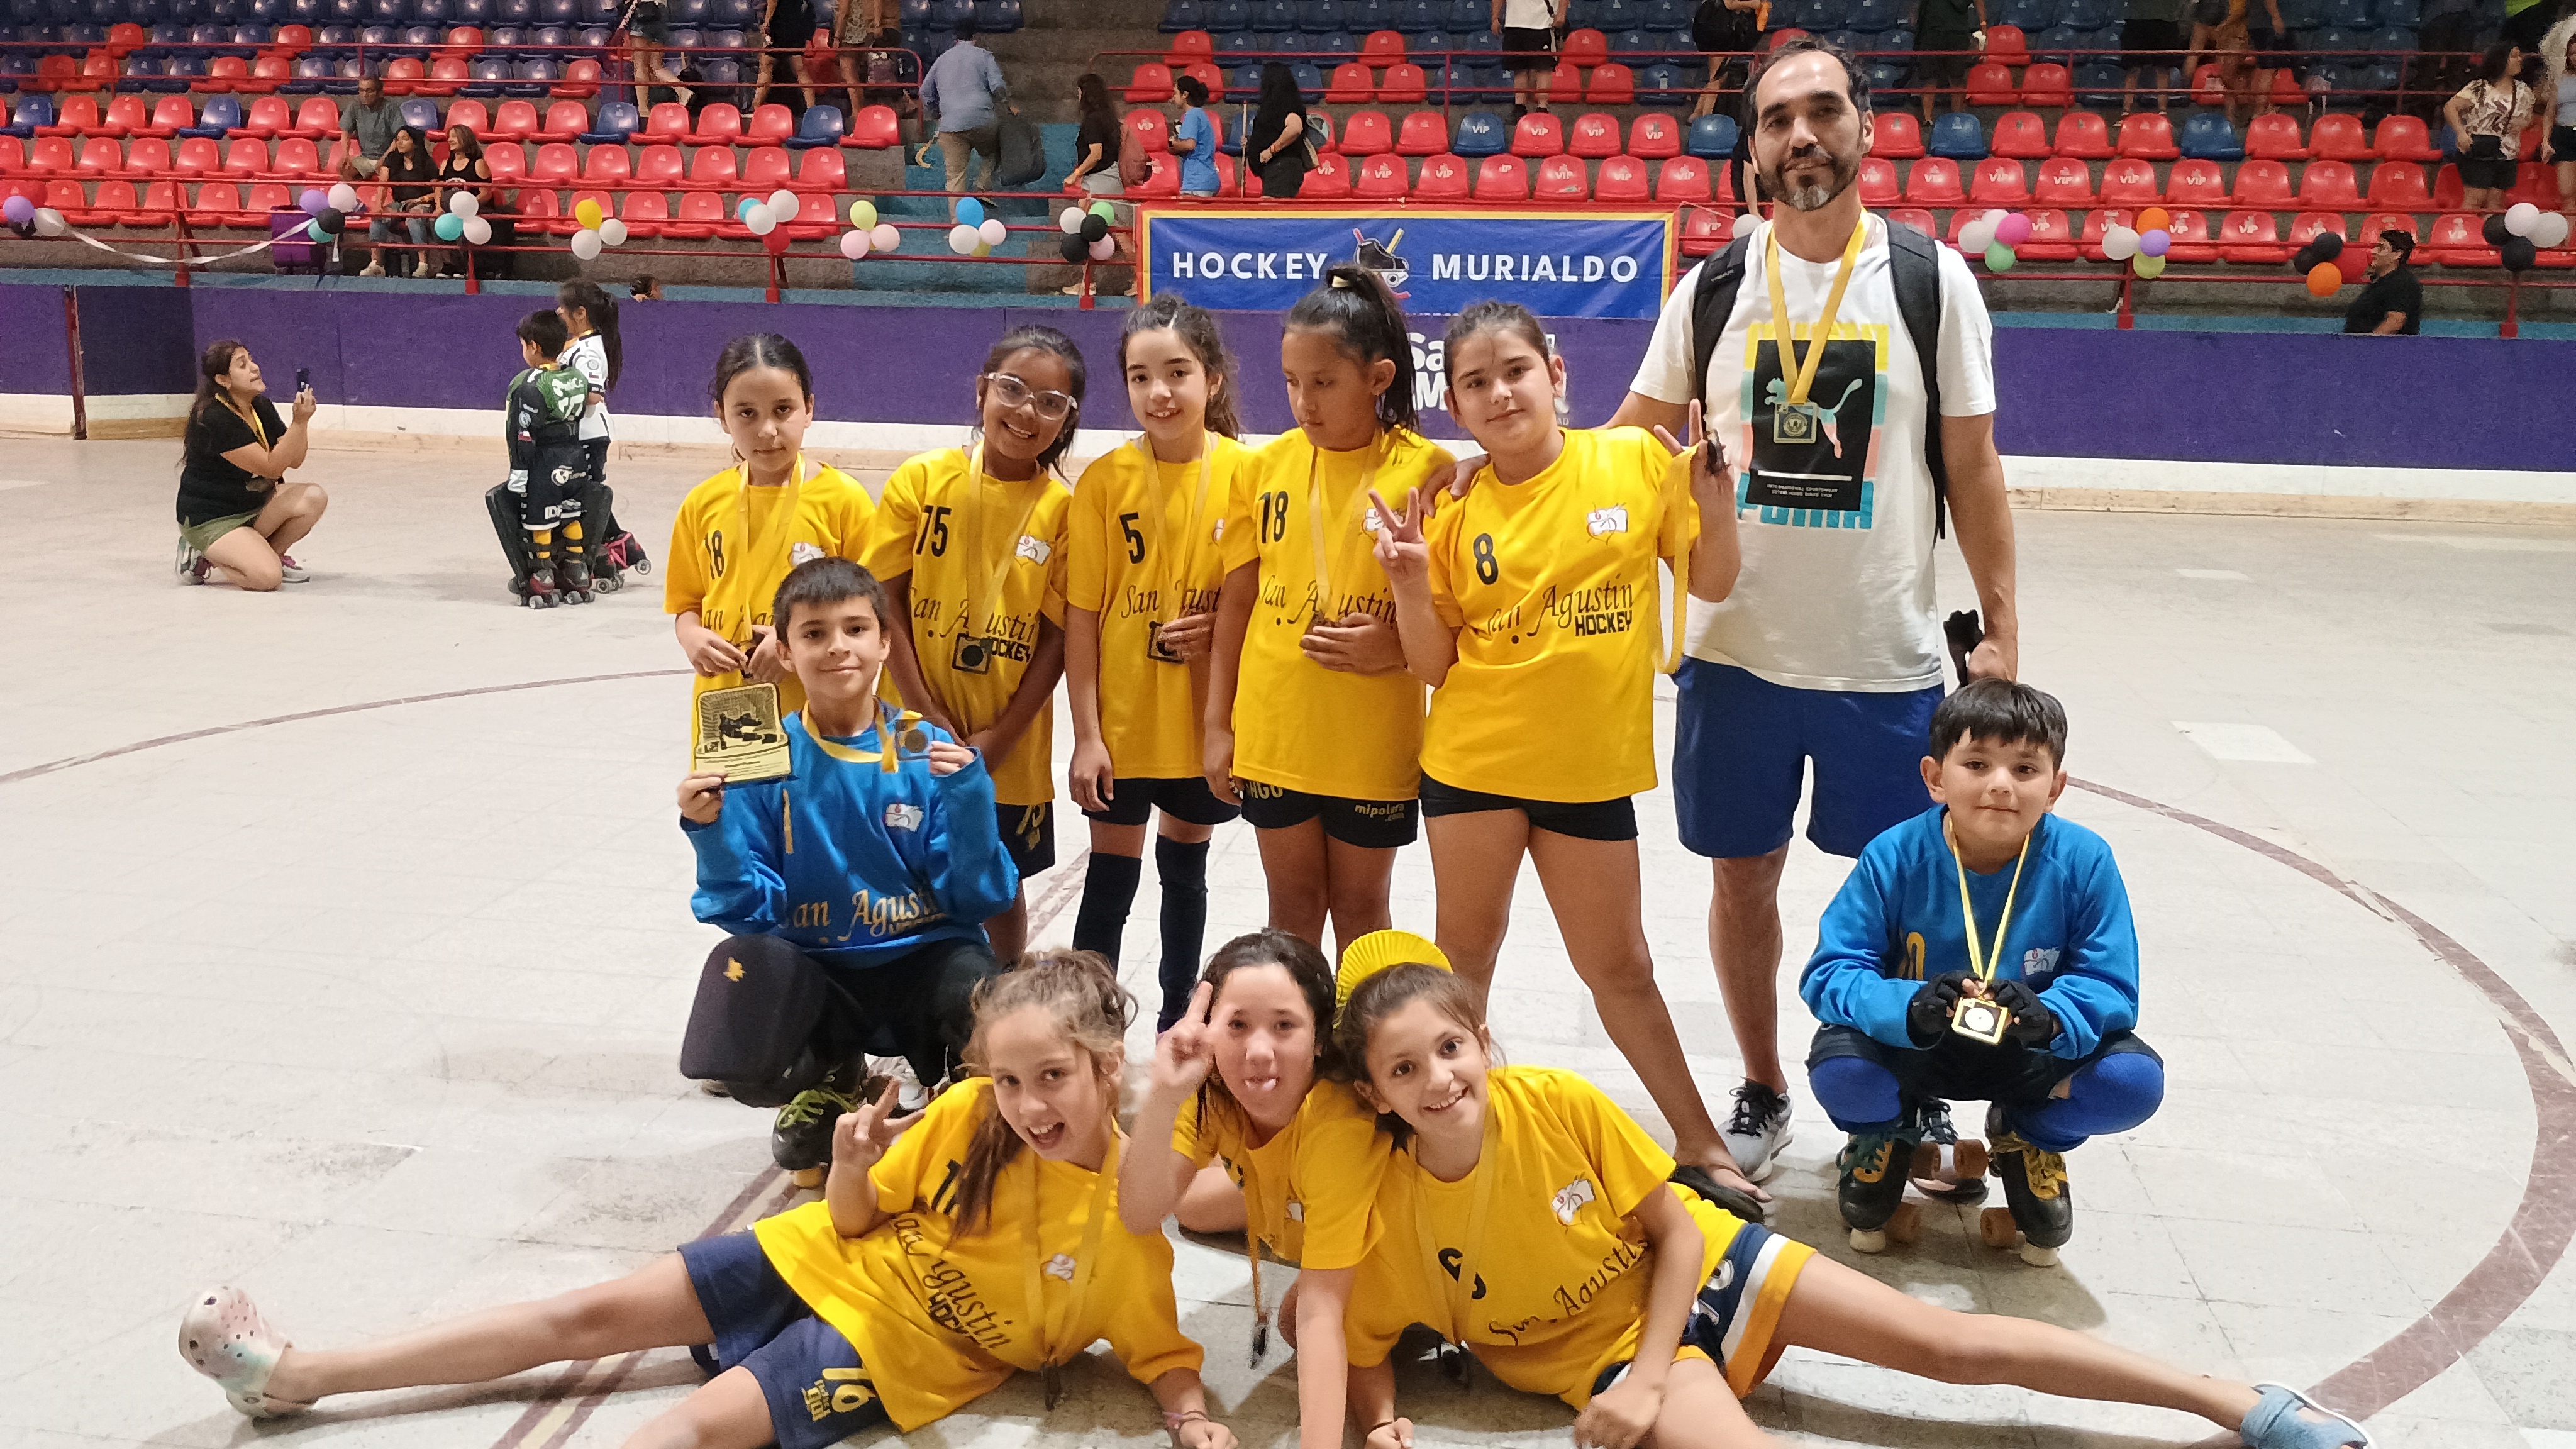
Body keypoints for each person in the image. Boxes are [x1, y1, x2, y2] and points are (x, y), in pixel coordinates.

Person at [175, 952, 1241, 1449]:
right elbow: (858, 1219)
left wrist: (1192, 1419)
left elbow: (1163, 1352)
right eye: (1009, 1079)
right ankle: (294, 1375)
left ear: (1106, 1066)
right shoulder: (967, 1111)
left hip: (892, 1347)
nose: (1027, 1103)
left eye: (1051, 1077)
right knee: (581, 1314)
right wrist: (852, 1162)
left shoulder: (1125, 1222)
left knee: (690, 1429)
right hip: (824, 1252)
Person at [1328, 955, 2373, 1449]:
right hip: (1604, 1356)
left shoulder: (1553, 1102)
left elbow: (1678, 1229)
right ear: (1373, 1093)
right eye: (1404, 1068)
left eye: (1451, 1047)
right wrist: (1379, 1424)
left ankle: (2238, 1402)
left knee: (1949, 1344)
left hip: (1707, 1273)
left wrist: (1646, 1381)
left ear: (1485, 1042)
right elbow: (1349, 1334)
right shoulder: (1385, 1215)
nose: (1439, 1079)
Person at [1603, 36, 2019, 1185]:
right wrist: (1499, 475)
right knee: (1742, 880)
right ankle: (1764, 1082)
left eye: (1824, 111)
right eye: (1778, 119)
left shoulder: (1933, 282)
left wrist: (2001, 627)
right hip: (1734, 653)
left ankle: (1905, 1092)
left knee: (1902, 893)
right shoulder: (1713, 289)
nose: (1802, 136)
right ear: (1752, 149)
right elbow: (1628, 442)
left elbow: (1975, 468)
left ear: (1865, 129)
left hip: (1882, 659)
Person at [1370, 300, 1765, 1209]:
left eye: (1515, 371)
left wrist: (1717, 509)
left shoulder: (1631, 461)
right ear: (1455, 405)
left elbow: (1711, 581)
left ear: (1555, 374)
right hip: (1472, 766)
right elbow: (1432, 664)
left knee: (1620, 967)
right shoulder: (1452, 507)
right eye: (1475, 383)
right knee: (1465, 958)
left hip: (1586, 775)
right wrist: (1408, 585)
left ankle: (1700, 1143)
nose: (1500, 394)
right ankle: (1444, 1142)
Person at [1800, 680, 2163, 1265]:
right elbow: (1831, 971)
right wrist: (1906, 1005)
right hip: (1915, 1046)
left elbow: (2112, 982)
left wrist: (2052, 1017)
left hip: (2030, 1050)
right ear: (1935, 778)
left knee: (2131, 1083)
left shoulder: (2085, 860)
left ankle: (2029, 1134)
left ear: (2055, 788)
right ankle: (1886, 1130)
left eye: (2025, 769)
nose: (2000, 783)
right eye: (1976, 764)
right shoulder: (1894, 854)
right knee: (1842, 1072)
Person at [679, 556, 1020, 1172]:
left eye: (856, 629)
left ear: (885, 642)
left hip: (923, 959)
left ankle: (953, 1085)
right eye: (814, 633)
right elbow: (747, 913)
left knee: (987, 1007)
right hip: (819, 971)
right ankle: (835, 1074)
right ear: (785, 652)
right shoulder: (764, 755)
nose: (838, 647)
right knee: (741, 1040)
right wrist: (712, 834)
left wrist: (972, 802)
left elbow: (978, 899)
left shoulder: (922, 747)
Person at [1202, 267, 1454, 962]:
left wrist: (1396, 650)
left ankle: (1359, 1032)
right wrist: (1218, 725)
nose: (1303, 402)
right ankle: (1298, 1033)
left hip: (1371, 736)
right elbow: (1237, 602)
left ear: (1378, 378)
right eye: (1291, 381)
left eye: (1323, 382)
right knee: (1290, 908)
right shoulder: (1261, 468)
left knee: (1362, 909)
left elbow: (1454, 614)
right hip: (1276, 728)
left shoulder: (1428, 469)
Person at [1121, 929, 1396, 1449]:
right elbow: (1138, 1215)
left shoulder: (1337, 1127)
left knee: (1300, 1318)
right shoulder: (1211, 1092)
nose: (1259, 1051)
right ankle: (1288, 1199)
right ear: (1209, 1029)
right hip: (1303, 1186)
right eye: (1238, 1025)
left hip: (1403, 1244)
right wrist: (1163, 1096)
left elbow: (1320, 1313)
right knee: (1191, 1207)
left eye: (1285, 1026)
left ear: (1320, 1038)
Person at [865, 325, 1082, 969]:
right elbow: (885, 599)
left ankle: (1003, 1000)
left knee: (998, 878)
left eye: (1050, 402)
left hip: (1007, 746)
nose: (1026, 412)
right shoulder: (921, 480)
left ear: (1067, 419)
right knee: (905, 869)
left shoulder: (1063, 511)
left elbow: (1058, 637)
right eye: (1012, 389)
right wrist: (926, 713)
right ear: (982, 389)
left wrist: (1002, 736)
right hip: (910, 727)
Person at [1066, 297, 1252, 1026]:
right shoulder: (1105, 481)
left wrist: (1224, 629)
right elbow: (1083, 619)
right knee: (1109, 884)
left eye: (1177, 372)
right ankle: (1087, 1031)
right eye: (1140, 377)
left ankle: (1180, 1022)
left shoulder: (1246, 473)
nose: (1159, 392)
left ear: (1212, 379)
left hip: (1204, 723)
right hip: (1124, 726)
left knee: (1184, 875)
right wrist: (1087, 736)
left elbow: (1263, 600)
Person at [665, 334, 879, 738]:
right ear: (722, 416)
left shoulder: (844, 501)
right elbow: (687, 602)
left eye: (783, 410)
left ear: (808, 408)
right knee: (727, 784)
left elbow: (872, 613)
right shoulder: (702, 503)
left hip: (818, 712)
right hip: (725, 709)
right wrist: (689, 635)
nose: (767, 430)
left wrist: (792, 642)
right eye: (746, 413)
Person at [174, 340, 327, 591]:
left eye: (251, 360)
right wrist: (298, 423)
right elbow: (271, 468)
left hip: (253, 504)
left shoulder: (261, 406)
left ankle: (270, 555)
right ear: (223, 380)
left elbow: (295, 460)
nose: (254, 368)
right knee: (267, 579)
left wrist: (302, 423)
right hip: (214, 517)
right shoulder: (214, 417)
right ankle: (204, 552)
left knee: (313, 497)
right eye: (242, 365)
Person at [502, 309, 596, 604]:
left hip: (545, 462)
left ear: (534, 346)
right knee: (571, 513)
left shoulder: (528, 384)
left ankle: (542, 573)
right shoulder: (577, 377)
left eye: (523, 345)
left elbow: (522, 432)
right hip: (576, 459)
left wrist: (519, 469)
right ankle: (578, 570)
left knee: (540, 518)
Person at [919, 15, 1014, 217]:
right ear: (975, 38)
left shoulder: (942, 59)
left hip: (950, 125)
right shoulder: (984, 56)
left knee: (955, 177)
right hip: (982, 121)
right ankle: (982, 186)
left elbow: (925, 91)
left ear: (955, 39)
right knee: (994, 151)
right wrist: (1006, 106)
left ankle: (957, 223)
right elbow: (998, 86)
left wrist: (936, 113)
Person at [556, 280, 628, 545]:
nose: (559, 312)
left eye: (563, 307)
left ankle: (618, 548)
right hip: (579, 432)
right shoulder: (578, 344)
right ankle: (617, 547)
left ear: (580, 313)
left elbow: (593, 394)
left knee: (587, 497)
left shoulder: (588, 351)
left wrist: (553, 397)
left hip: (588, 433)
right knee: (584, 495)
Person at [1064, 72, 1140, 295]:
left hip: (1098, 183)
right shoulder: (1109, 119)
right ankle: (1093, 282)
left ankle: (1093, 284)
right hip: (1109, 179)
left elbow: (1095, 154)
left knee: (1100, 233)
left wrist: (1076, 174)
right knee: (1115, 233)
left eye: (1079, 91)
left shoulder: (1092, 121)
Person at [2448, 43, 2536, 212]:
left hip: (2508, 150)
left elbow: (2528, 118)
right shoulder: (2480, 87)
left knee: (2495, 203)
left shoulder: (2523, 91)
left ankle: (2489, 229)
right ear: (2501, 59)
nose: (2520, 60)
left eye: (2519, 56)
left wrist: (2522, 124)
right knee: (2475, 199)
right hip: (2480, 146)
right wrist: (2461, 133)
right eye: (2514, 56)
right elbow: (2451, 107)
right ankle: (2465, 228)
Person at [361, 126, 436, 277]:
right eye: (397, 139)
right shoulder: (392, 159)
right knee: (378, 219)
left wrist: (421, 200)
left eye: (405, 139)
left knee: (415, 218)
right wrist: (378, 207)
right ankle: (376, 264)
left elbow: (438, 191)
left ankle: (423, 265)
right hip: (398, 203)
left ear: (415, 143)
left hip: (420, 202)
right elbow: (383, 184)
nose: (400, 143)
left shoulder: (427, 162)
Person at [428, 123, 493, 279]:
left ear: (465, 139)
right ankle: (448, 263)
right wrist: (438, 207)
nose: (450, 140)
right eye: (449, 137)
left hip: (473, 210)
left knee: (463, 223)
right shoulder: (446, 163)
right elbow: (439, 188)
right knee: (435, 221)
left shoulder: (478, 163)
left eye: (454, 137)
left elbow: (486, 193)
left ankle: (463, 266)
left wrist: (469, 207)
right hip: (449, 210)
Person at [1245, 62, 1313, 201]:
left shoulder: (1286, 104)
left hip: (1283, 167)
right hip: (1275, 169)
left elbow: (1295, 128)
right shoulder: (1276, 105)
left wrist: (1271, 150)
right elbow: (1272, 132)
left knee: (1270, 208)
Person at [1913, 0, 1986, 125]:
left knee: (1957, 77)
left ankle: (1957, 117)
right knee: (1929, 77)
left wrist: (1983, 24)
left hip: (1957, 34)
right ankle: (1927, 119)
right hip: (1931, 33)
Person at [1688, 0, 1763, 120]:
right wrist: (1755, 4)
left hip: (1724, 37)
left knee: (1719, 78)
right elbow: (1730, 4)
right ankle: (1705, 116)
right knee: (1716, 79)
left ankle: (1697, 114)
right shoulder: (1715, 8)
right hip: (1715, 36)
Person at [2341, 228, 2423, 334]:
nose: (2374, 252)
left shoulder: (2402, 283)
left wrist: (2370, 341)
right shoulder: (2378, 281)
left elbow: (2395, 321)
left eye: (2381, 248)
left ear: (2397, 254)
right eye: (2376, 247)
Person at [1493, 0, 1563, 123]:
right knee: (1519, 69)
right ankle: (1519, 107)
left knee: (1544, 68)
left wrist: (1562, 13)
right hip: (1514, 24)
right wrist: (1495, 17)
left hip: (1543, 23)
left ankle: (1542, 108)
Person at [2119, 0, 2189, 113]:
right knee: (2133, 68)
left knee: (2163, 68)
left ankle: (2163, 112)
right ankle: (2126, 111)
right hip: (2136, 22)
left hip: (2166, 21)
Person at [752, 0, 818, 111]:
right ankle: (812, 109)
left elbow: (773, 1)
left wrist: (767, 22)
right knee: (800, 70)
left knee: (766, 67)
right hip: (796, 24)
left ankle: (756, 108)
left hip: (779, 25)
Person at [335, 72, 399, 180]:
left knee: (386, 173)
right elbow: (346, 132)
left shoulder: (391, 109)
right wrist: (345, 154)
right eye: (362, 90)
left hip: (388, 158)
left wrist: (385, 158)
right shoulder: (355, 106)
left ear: (380, 93)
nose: (365, 94)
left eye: (369, 91)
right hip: (365, 158)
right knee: (344, 169)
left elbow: (398, 138)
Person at [2543, 20, 2576, 209]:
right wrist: (2545, 141)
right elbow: (2549, 114)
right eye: (2572, 53)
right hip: (2564, 134)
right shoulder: (2560, 79)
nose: (2575, 57)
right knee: (2567, 193)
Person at [1171, 72, 1221, 197]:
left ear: (1185, 95)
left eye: (1175, 93)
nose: (1173, 97)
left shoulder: (1192, 115)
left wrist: (1173, 143)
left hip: (1197, 181)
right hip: (1205, 178)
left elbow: (1190, 144)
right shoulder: (1200, 114)